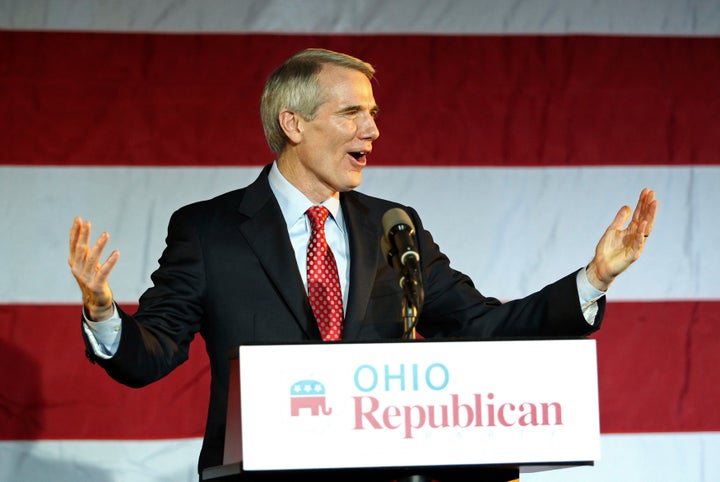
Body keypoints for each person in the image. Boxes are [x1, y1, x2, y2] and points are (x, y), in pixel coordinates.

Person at [68, 48, 658, 479]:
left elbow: (480, 325)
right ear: (293, 124)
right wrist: (103, 313)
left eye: (372, 113)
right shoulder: (210, 230)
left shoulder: (391, 225)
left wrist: (595, 278)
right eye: (351, 113)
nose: (372, 130)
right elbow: (153, 353)